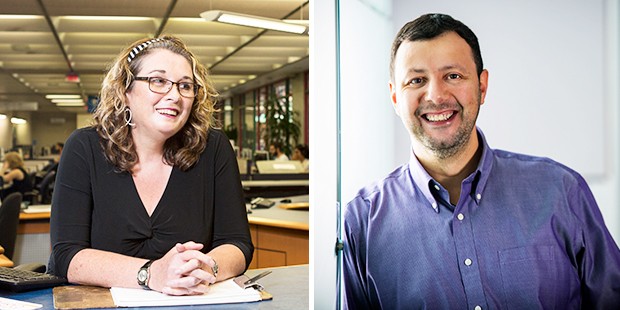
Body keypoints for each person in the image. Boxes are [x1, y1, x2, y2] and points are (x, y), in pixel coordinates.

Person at [342, 13, 620, 309]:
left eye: (453, 76)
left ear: (482, 86)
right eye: (417, 80)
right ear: (396, 97)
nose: (435, 96)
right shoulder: (362, 223)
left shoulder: (562, 191)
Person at [48, 35, 253, 296]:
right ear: (125, 90)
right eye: (158, 81)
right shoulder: (84, 147)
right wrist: (151, 274)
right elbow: (67, 255)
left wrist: (207, 267)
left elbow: (237, 243)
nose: (175, 95)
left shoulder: (213, 148)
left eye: (185, 85)